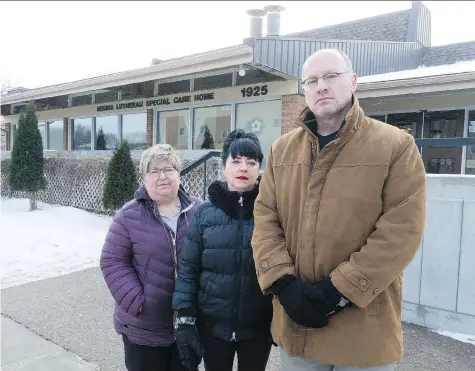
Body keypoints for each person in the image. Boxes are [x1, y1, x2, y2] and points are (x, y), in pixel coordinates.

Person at [251, 49, 427, 371]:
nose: (322, 86)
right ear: (304, 90)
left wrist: (339, 291)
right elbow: (265, 219)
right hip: (298, 325)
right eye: (313, 80)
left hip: (363, 329)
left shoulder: (396, 146)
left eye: (332, 76)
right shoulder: (281, 150)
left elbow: (402, 231)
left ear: (353, 81)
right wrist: (283, 284)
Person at [172, 129, 274, 371]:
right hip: (213, 327)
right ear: (224, 166)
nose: (243, 168)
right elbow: (188, 269)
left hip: (257, 327)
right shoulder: (205, 214)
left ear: (259, 168)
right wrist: (185, 319)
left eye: (251, 162)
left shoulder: (270, 212)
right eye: (236, 161)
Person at [100, 144, 202, 371]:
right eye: (154, 171)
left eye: (169, 169)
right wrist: (138, 302)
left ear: (179, 173)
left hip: (189, 324)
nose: (162, 176)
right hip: (143, 329)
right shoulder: (128, 215)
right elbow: (112, 260)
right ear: (144, 177)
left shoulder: (200, 211)